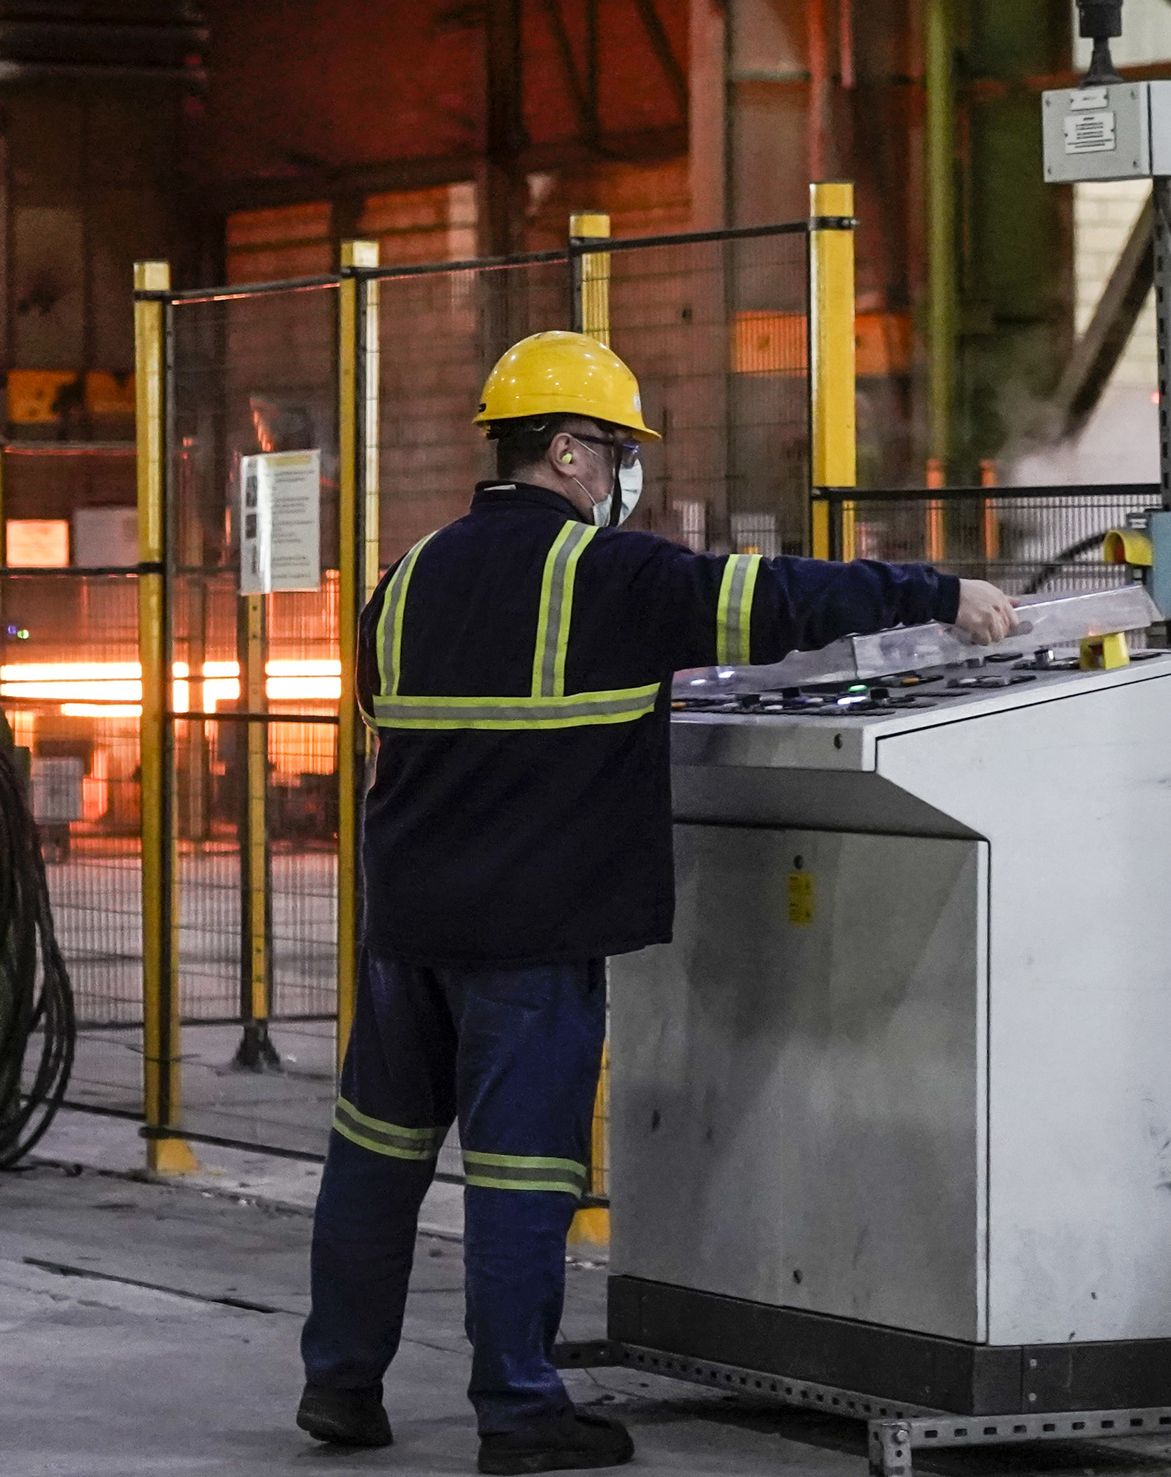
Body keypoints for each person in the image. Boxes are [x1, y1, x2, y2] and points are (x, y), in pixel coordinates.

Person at [298, 330, 1017, 1473]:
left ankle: (339, 1383)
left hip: (405, 934)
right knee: (522, 1174)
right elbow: (773, 597)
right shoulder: (610, 578)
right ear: (573, 451)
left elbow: (396, 720)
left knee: (377, 1157)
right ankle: (521, 1413)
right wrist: (940, 591)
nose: (630, 472)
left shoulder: (407, 576)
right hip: (529, 941)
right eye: (622, 450)